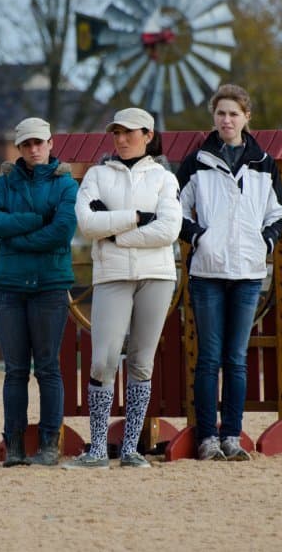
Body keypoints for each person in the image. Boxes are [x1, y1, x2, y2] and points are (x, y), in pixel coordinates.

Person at [63, 107, 182, 469]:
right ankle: (97, 448)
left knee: (142, 362)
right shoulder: (96, 175)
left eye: (129, 132)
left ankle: (131, 448)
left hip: (156, 276)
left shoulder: (164, 178)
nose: (121, 138)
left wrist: (114, 233)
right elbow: (86, 223)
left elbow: (169, 230)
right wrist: (134, 219)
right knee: (102, 361)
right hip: (111, 276)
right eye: (116, 132)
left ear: (148, 135)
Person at [177, 84, 282, 462]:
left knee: (237, 359)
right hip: (207, 272)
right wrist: (199, 238)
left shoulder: (264, 163)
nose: (227, 120)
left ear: (246, 118)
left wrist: (265, 243)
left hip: (248, 272)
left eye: (233, 114)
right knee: (209, 358)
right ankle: (207, 438)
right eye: (221, 113)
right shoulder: (197, 162)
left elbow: (278, 214)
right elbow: (175, 210)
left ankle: (231, 438)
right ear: (214, 116)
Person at [0, 117, 78, 467]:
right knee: (15, 370)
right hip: (9, 288)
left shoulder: (67, 184)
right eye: (27, 144)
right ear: (19, 148)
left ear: (50, 143)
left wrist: (16, 235)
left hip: (50, 286)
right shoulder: (4, 182)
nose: (34, 149)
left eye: (39, 142)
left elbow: (63, 231)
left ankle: (50, 443)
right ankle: (15, 444)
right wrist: (37, 221)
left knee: (48, 368)